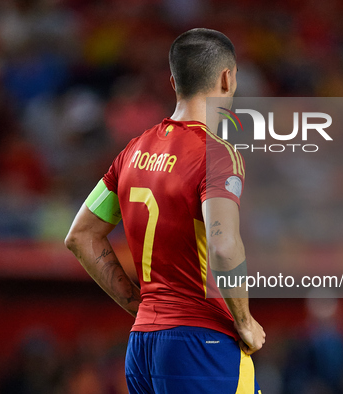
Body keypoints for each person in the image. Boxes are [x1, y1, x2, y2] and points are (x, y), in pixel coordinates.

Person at [65, 28, 265, 393]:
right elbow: (223, 244)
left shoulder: (132, 151)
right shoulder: (216, 153)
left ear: (174, 81)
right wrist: (246, 321)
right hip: (202, 342)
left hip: (143, 346)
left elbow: (80, 235)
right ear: (227, 77)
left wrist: (137, 304)